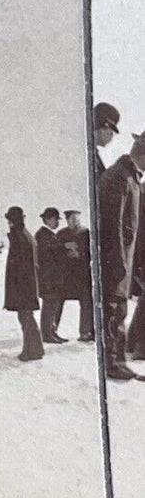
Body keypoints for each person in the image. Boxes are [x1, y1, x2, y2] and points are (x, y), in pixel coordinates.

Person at [101, 131, 145, 380]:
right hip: (115, 261)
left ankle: (117, 360)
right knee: (113, 310)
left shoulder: (131, 178)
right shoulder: (120, 177)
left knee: (119, 312)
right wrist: (118, 261)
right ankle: (111, 363)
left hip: (124, 262)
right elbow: (114, 224)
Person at [4, 206, 44, 362]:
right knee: (26, 318)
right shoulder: (24, 235)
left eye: (10, 220)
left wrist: (17, 288)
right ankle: (32, 349)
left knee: (26, 318)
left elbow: (21, 266)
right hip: (27, 285)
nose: (8, 223)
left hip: (23, 286)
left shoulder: (19, 236)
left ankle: (33, 350)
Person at [37, 208, 69, 345]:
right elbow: (47, 255)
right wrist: (64, 247)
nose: (57, 222)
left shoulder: (48, 234)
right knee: (49, 306)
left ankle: (51, 332)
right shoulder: (43, 235)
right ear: (49, 219)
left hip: (52, 278)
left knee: (52, 305)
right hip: (48, 278)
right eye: (56, 219)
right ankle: (46, 334)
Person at [63, 208, 95, 342]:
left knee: (86, 303)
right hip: (67, 275)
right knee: (57, 301)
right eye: (73, 219)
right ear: (67, 220)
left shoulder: (86, 233)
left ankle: (86, 332)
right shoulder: (61, 234)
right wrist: (65, 250)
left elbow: (92, 251)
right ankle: (50, 331)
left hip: (83, 274)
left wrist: (80, 254)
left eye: (77, 219)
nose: (76, 222)